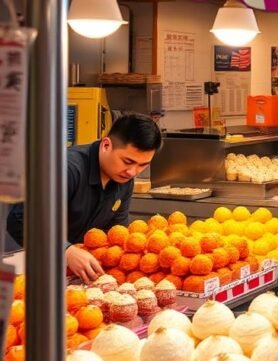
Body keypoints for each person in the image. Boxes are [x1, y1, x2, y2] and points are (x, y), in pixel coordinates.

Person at [7, 114, 162, 281]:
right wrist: (65, 250)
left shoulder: (124, 179)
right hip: (27, 267)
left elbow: (115, 235)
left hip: (73, 275)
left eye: (143, 165)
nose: (133, 172)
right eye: (127, 161)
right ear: (106, 145)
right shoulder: (65, 169)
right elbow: (20, 219)